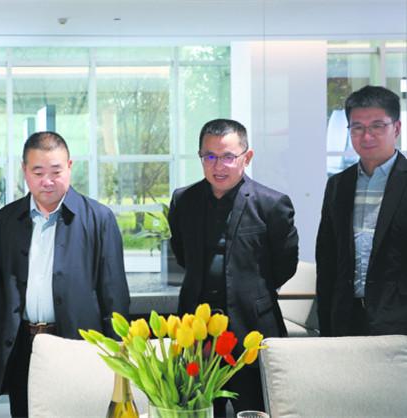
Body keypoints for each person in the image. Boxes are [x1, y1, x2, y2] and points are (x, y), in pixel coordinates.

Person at [0, 131, 130, 418]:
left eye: (56, 171)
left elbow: (115, 297)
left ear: (70, 167)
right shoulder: (5, 221)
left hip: (78, 346)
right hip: (23, 347)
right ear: (25, 171)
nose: (47, 181)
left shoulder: (99, 218)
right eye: (38, 172)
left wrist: (117, 360)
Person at [168, 119, 298, 416]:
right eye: (209, 156)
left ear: (246, 157)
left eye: (228, 156)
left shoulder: (272, 204)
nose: (219, 166)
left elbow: (284, 265)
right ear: (200, 157)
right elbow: (183, 254)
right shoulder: (183, 200)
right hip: (196, 334)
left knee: (255, 410)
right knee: (195, 410)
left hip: (252, 328)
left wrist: (250, 292)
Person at [316, 85, 407, 337]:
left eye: (377, 126)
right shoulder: (338, 184)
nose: (366, 136)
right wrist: (326, 323)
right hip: (346, 318)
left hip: (399, 319)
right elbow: (327, 258)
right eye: (357, 127)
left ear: (396, 128)